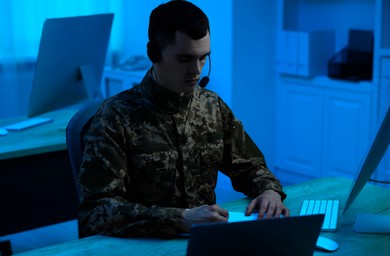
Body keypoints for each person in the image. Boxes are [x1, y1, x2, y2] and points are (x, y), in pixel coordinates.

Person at [78, 0, 289, 238]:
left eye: (203, 58)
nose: (196, 71)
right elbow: (94, 212)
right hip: (143, 247)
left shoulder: (212, 107)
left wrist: (269, 191)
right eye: (184, 59)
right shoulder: (115, 117)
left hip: (207, 242)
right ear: (153, 53)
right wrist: (177, 219)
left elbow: (251, 167)